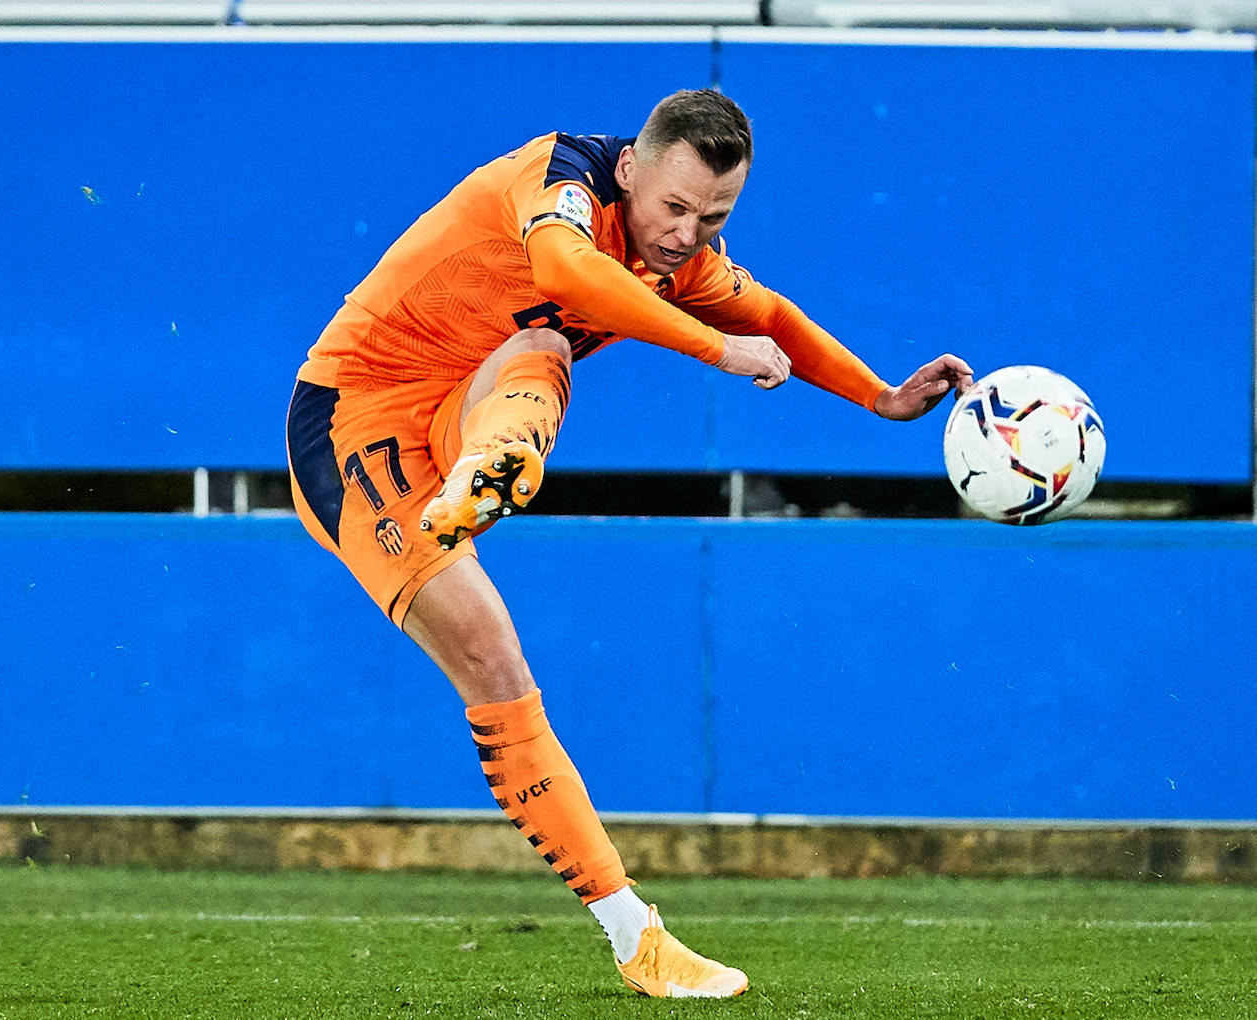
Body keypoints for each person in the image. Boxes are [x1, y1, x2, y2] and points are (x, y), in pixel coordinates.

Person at [287, 88, 973, 998]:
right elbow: (573, 279)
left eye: (714, 216)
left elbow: (767, 314)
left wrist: (880, 396)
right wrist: (714, 352)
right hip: (354, 419)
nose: (688, 234)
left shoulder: (676, 255)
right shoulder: (557, 178)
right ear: (629, 170)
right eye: (675, 207)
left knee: (540, 370)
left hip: (462, 412)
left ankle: (638, 943)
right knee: (496, 637)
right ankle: (498, 465)